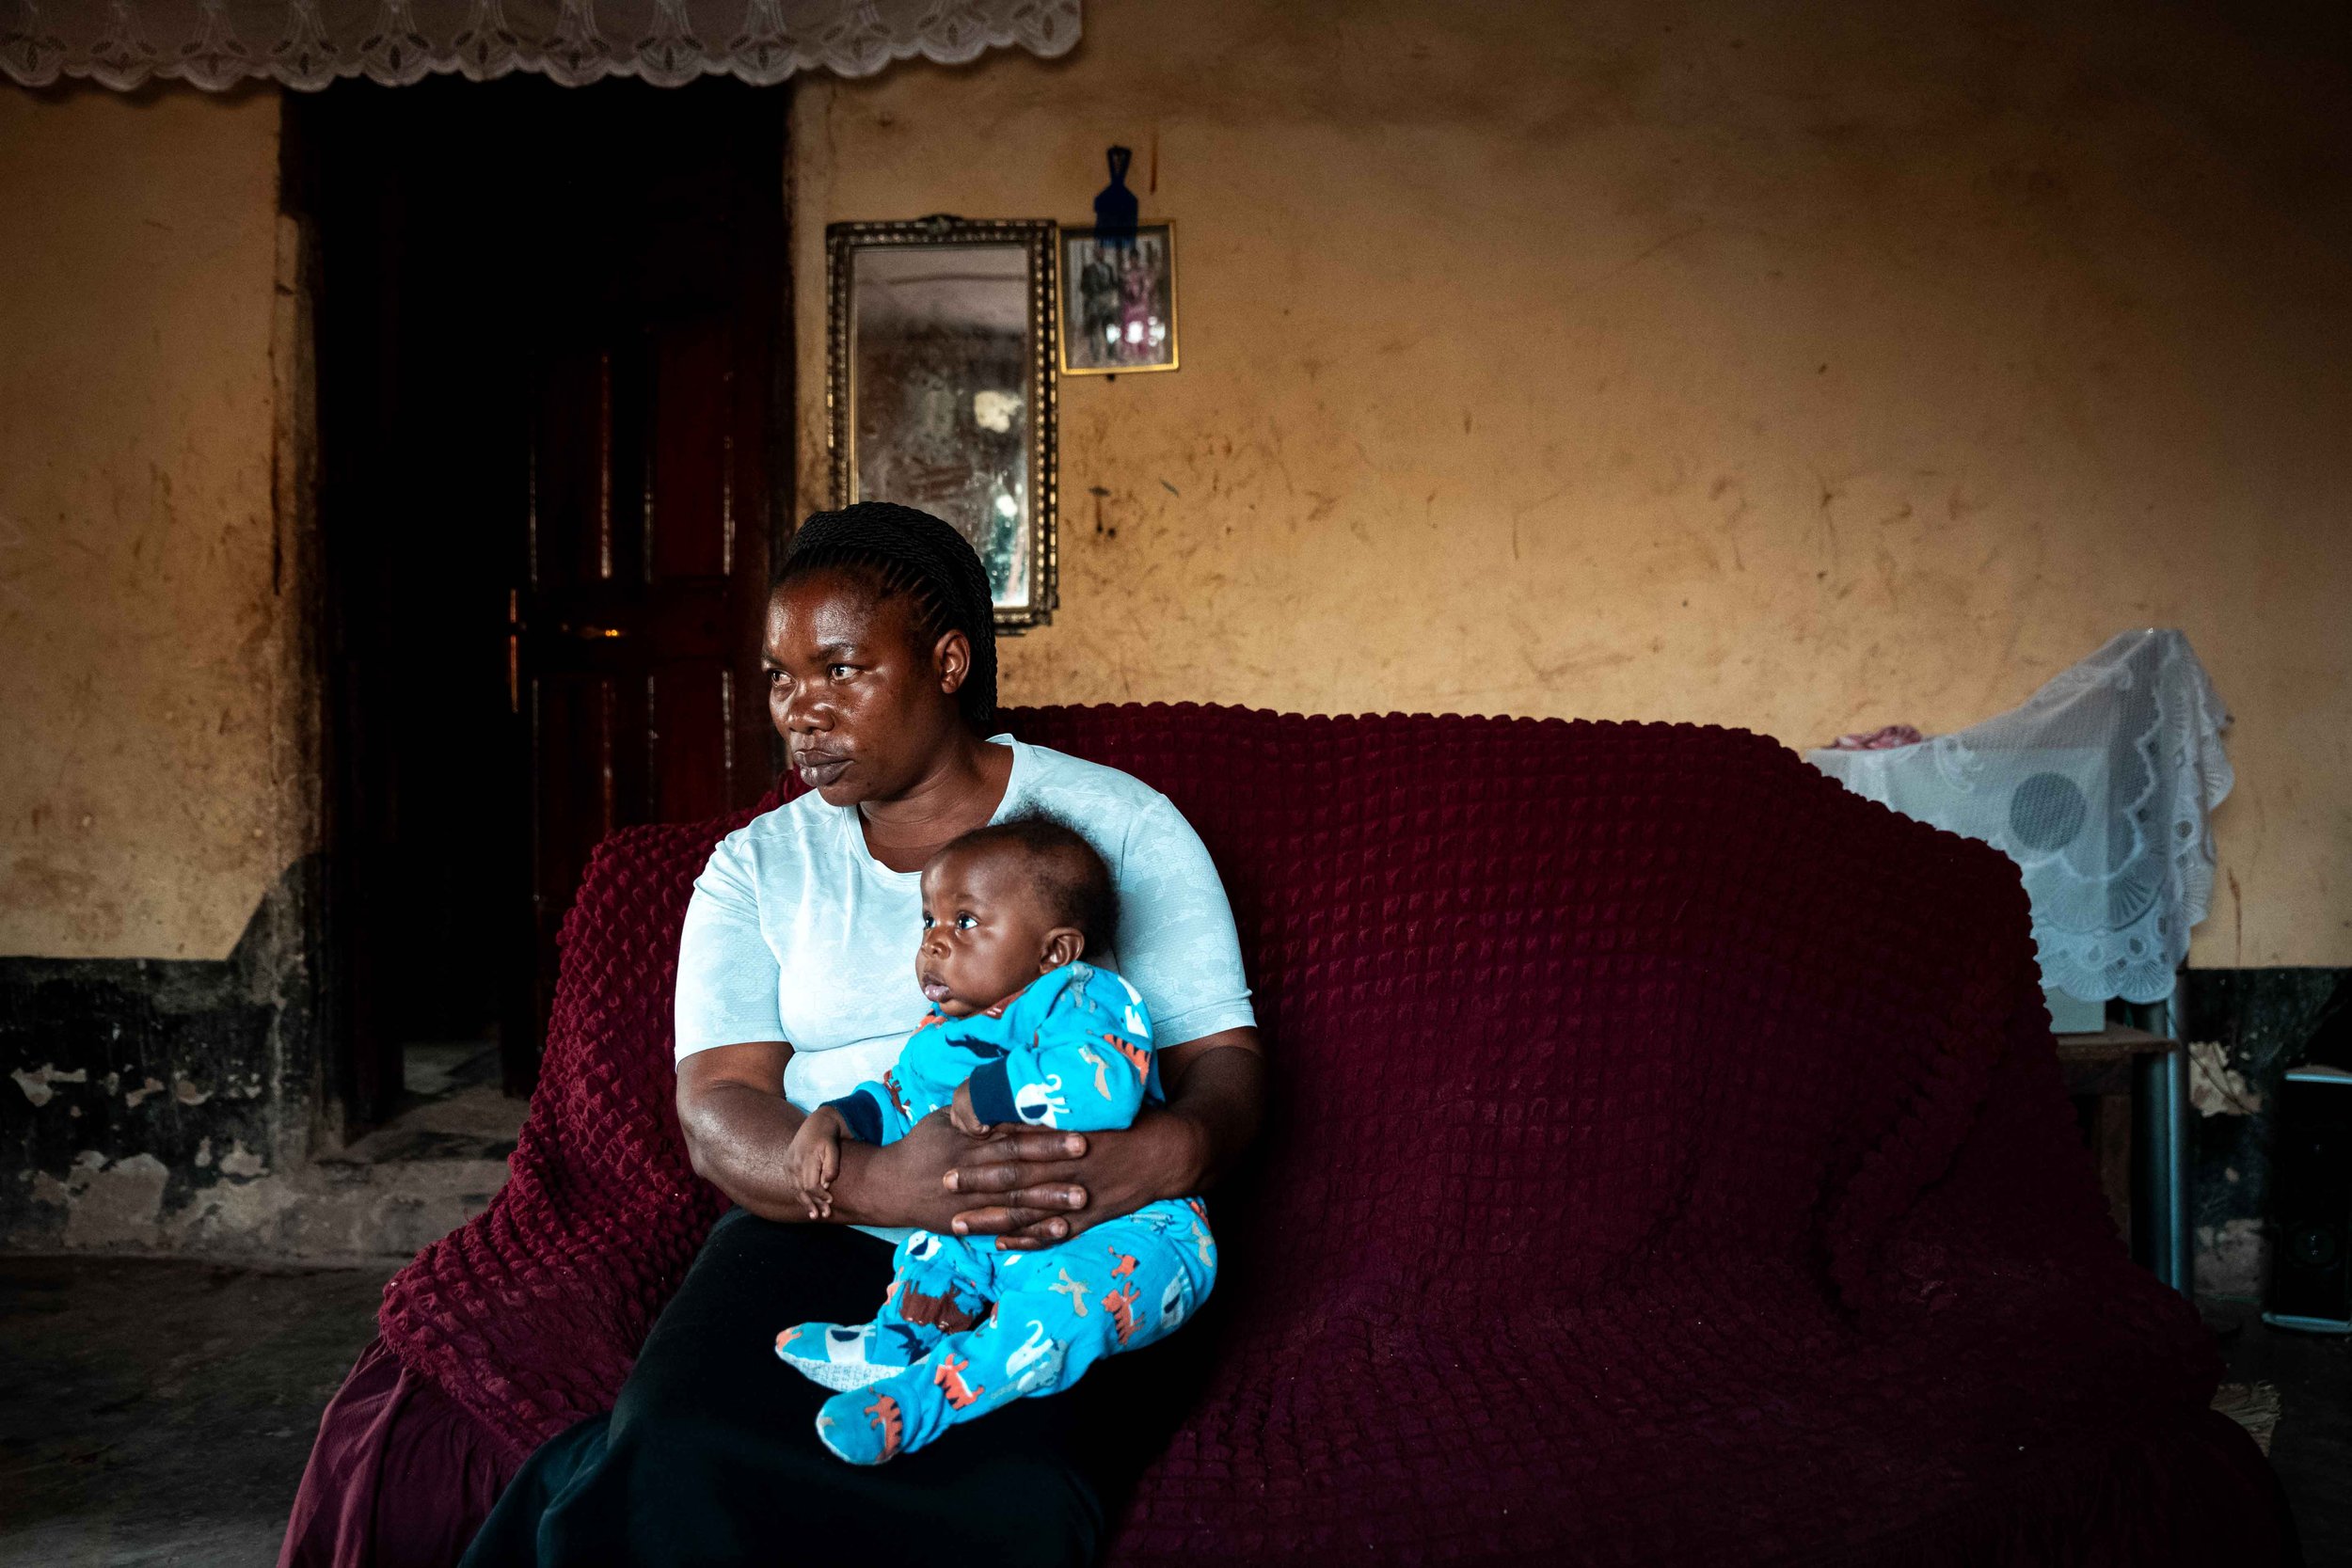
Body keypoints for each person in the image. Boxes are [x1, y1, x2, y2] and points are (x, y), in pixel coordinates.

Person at [453, 501, 1264, 1566]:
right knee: (675, 1445)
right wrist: (887, 1183)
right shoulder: (757, 867)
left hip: (1066, 1234)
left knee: (1009, 1499)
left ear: (946, 659)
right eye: (783, 676)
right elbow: (717, 1108)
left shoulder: (1118, 824)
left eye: (841, 668)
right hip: (818, 1217)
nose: (802, 709)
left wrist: (1166, 1153)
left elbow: (1226, 1064)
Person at [776, 813, 1216, 1465]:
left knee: (1059, 1315)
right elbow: (899, 1099)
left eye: (965, 922)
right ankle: (896, 1341)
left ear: (1053, 951)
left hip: (1132, 1234)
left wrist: (992, 1092)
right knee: (935, 1243)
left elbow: (1109, 1084)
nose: (934, 943)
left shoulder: (1081, 996)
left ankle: (920, 1402)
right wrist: (835, 1120)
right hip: (1003, 1235)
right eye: (928, 921)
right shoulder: (939, 1035)